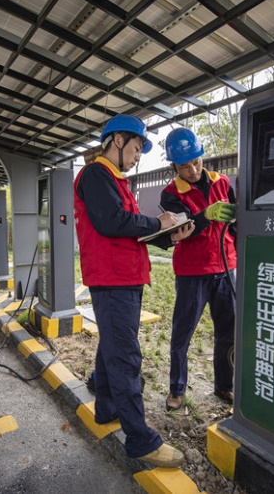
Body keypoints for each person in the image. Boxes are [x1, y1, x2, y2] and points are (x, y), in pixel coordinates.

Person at [74, 114, 193, 468]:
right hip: (112, 280)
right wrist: (158, 221)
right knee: (126, 357)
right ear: (118, 140)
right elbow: (111, 221)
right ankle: (141, 440)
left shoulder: (115, 180)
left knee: (112, 347)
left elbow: (131, 231)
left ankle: (107, 408)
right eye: (138, 147)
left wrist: (169, 235)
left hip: (123, 277)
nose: (139, 155)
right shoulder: (96, 174)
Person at [159, 127, 238, 412]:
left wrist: (238, 242)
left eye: (196, 162)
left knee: (228, 331)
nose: (193, 170)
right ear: (174, 166)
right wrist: (205, 215)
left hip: (226, 268)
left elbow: (236, 223)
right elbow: (183, 229)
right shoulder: (170, 194)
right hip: (192, 272)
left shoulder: (223, 182)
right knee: (182, 334)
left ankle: (225, 385)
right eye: (185, 166)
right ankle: (177, 389)